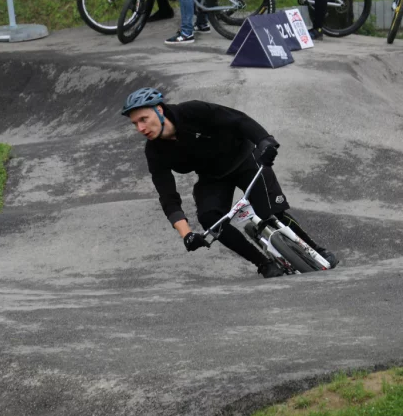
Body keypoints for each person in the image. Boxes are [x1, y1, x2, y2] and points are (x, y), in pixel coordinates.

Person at [121, 87, 339, 277]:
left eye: (143, 119)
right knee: (210, 219)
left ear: (159, 110)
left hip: (245, 159)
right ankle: (263, 263)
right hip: (212, 176)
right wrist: (186, 234)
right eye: (135, 124)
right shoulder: (155, 152)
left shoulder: (192, 111)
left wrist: (265, 141)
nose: (140, 128)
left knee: (270, 212)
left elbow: (238, 119)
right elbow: (168, 196)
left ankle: (316, 249)